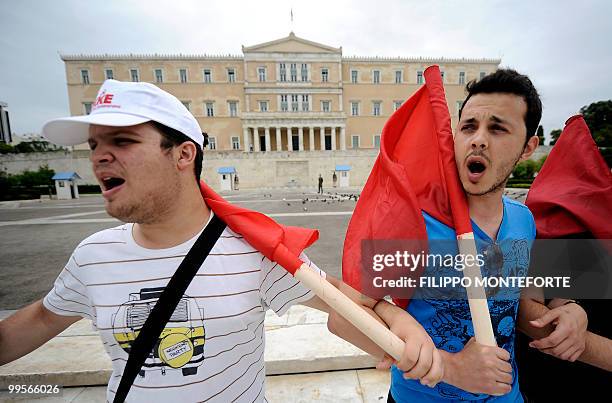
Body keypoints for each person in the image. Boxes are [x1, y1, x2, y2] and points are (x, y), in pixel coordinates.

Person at [0, 80, 443, 402]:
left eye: (123, 140)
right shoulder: (92, 255)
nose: (99, 155)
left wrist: (396, 318)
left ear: (183, 153)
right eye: (94, 143)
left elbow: (338, 299)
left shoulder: (254, 248)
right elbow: (40, 320)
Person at [331, 69, 542, 402]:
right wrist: (450, 366)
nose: (479, 139)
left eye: (497, 128)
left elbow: (522, 302)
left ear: (529, 146)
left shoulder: (524, 221)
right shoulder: (412, 223)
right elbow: (342, 318)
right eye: (469, 126)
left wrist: (570, 310)